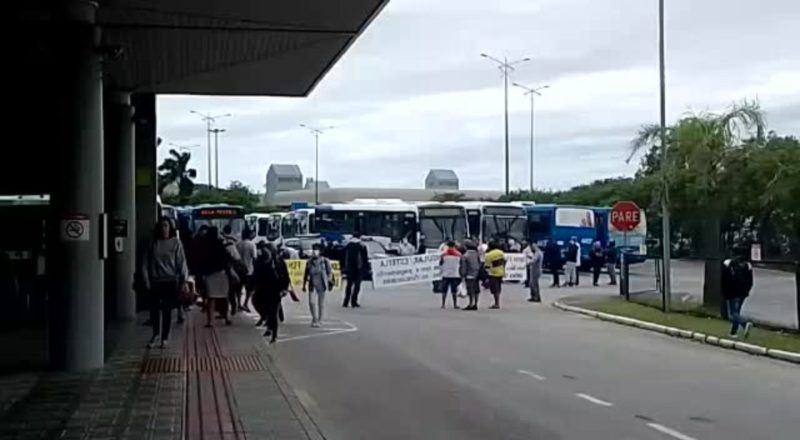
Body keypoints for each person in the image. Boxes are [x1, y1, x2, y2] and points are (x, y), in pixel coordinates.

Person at [141, 218, 188, 348]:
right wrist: (146, 280)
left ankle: (165, 337)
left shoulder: (176, 243)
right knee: (154, 310)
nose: (164, 229)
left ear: (170, 228)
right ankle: (155, 334)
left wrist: (183, 280)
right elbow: (145, 263)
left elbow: (181, 263)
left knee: (167, 310)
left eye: (166, 226)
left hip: (170, 281)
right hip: (155, 281)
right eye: (161, 226)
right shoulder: (153, 243)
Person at [201, 227, 233, 327]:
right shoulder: (220, 244)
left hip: (209, 274)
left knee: (211, 298)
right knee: (224, 297)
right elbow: (227, 257)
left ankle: (210, 320)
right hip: (221, 273)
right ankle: (226, 317)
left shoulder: (205, 245)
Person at [722, 248, 754, 339]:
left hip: (732, 292)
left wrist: (725, 292)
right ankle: (733, 332)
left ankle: (744, 322)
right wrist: (747, 290)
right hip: (743, 292)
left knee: (732, 314)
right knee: (737, 312)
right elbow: (750, 280)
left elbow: (724, 279)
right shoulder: (747, 265)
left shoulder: (728, 264)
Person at [303, 243, 334, 327]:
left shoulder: (324, 261)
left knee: (321, 303)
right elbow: (306, 273)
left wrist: (329, 280)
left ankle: (320, 320)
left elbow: (330, 272)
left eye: (316, 250)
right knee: (311, 302)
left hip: (321, 283)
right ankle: (314, 318)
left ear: (320, 251)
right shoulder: (309, 262)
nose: (314, 252)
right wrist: (303, 284)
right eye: (313, 250)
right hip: (312, 283)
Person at [343, 232, 369, 308]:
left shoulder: (348, 245)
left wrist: (344, 268)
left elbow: (343, 257)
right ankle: (354, 302)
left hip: (349, 268)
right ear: (359, 237)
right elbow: (365, 258)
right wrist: (366, 268)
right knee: (357, 286)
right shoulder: (362, 246)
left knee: (349, 285)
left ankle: (346, 301)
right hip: (358, 268)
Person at [236, 228, 258, 312]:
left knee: (238, 288)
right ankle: (245, 303)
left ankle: (239, 304)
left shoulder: (238, 244)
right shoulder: (252, 245)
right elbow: (254, 258)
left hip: (238, 270)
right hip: (249, 270)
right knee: (249, 289)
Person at [439, 240, 462, 309]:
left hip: (446, 274)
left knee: (444, 290)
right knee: (454, 290)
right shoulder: (458, 254)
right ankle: (455, 304)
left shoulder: (443, 254)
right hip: (455, 274)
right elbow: (460, 264)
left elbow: (441, 263)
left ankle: (443, 304)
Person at [483, 241, 506, 309]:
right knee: (498, 288)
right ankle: (497, 302)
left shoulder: (489, 255)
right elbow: (504, 261)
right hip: (501, 272)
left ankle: (497, 303)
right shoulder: (501, 252)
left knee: (494, 289)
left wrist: (486, 276)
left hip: (493, 273)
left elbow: (487, 266)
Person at [460, 240, 481, 310]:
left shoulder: (465, 256)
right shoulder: (476, 254)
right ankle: (476, 303)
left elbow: (464, 267)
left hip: (469, 274)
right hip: (477, 273)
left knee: (470, 290)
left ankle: (470, 303)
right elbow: (480, 263)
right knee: (476, 289)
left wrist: (462, 274)